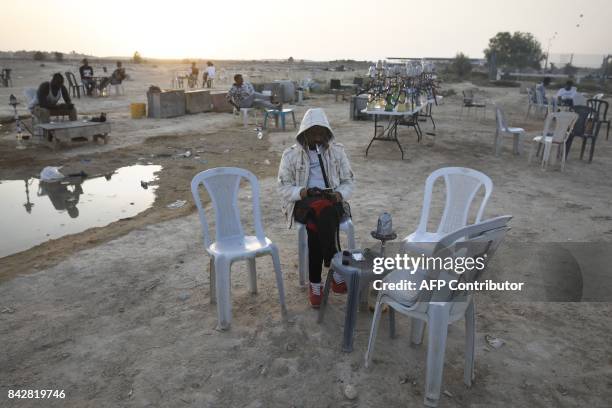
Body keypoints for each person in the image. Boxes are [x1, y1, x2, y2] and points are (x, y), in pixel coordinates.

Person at [277, 108, 355, 307]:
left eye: (321, 133)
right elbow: (283, 187)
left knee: (318, 221)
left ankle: (315, 283)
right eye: (313, 133)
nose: (318, 137)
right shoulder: (291, 155)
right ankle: (335, 267)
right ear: (304, 133)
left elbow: (349, 181)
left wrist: (338, 194)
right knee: (318, 213)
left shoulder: (337, 151)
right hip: (305, 202)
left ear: (327, 133)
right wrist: (303, 192)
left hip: (331, 201)